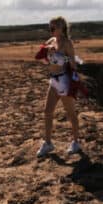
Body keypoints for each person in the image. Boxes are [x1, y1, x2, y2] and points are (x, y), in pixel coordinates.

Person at [36, 16, 81, 157]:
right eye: (49, 27)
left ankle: (75, 142)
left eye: (53, 27)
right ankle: (48, 143)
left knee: (70, 113)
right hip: (53, 81)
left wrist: (62, 58)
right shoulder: (50, 41)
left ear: (61, 28)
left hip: (64, 81)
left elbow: (74, 63)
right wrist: (47, 54)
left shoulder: (67, 43)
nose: (50, 29)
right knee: (47, 112)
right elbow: (44, 60)